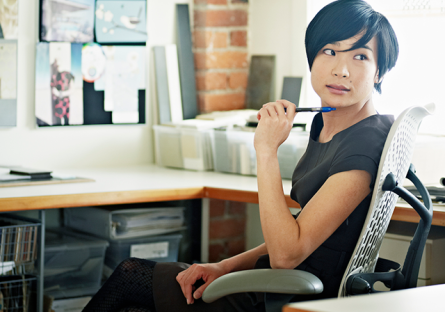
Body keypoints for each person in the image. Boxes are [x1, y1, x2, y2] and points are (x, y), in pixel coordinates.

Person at [82, 0, 399, 311]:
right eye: (329, 51)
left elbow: (286, 254)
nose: (341, 69)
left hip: (288, 296)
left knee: (128, 275)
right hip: (275, 283)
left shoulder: (364, 144)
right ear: (312, 58)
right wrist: (223, 266)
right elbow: (302, 230)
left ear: (379, 73)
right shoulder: (330, 126)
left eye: (360, 56)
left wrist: (266, 150)